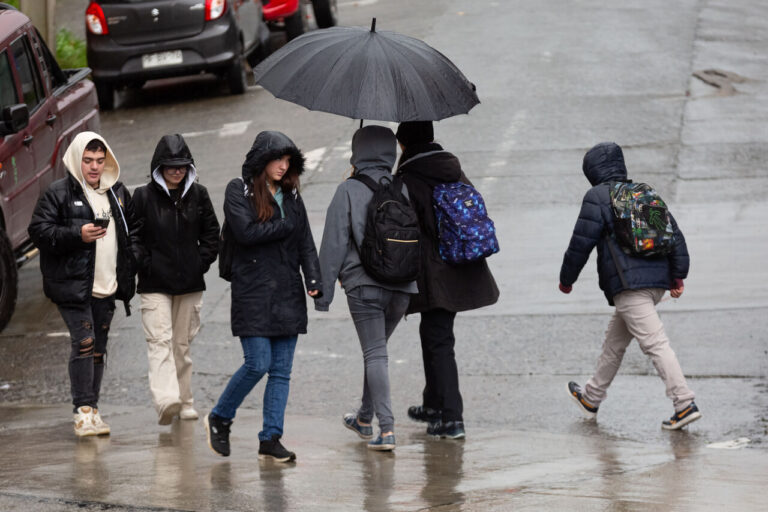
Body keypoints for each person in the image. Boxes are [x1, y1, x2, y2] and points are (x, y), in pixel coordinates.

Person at [559, 142, 700, 430]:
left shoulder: (597, 196)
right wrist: (677, 276)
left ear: (593, 171)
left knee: (656, 345)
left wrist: (566, 280)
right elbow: (674, 236)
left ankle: (684, 403)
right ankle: (591, 397)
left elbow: (580, 243)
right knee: (615, 342)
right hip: (655, 284)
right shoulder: (643, 193)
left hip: (628, 285)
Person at [204, 131, 321, 462]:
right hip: (253, 290)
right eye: (278, 159)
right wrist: (284, 226)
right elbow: (245, 232)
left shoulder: (292, 196)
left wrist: (313, 279)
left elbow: (306, 242)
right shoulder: (237, 190)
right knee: (258, 363)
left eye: (288, 161)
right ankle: (220, 416)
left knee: (281, 370)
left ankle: (271, 437)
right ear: (262, 159)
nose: (283, 167)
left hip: (287, 290)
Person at [315, 125, 417, 452]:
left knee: (375, 354)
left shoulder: (349, 189)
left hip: (364, 286)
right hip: (402, 287)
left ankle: (386, 430)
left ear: (357, 151)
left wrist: (323, 293)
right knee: (378, 353)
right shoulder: (403, 188)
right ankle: (363, 417)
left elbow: (333, 244)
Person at [394, 121, 499, 439]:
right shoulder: (451, 168)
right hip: (461, 265)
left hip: (434, 273)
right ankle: (433, 404)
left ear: (403, 144)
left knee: (439, 341)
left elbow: (408, 228)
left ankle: (452, 417)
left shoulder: (409, 178)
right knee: (435, 335)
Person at [28, 131, 137, 437]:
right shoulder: (57, 193)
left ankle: (94, 409)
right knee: (84, 342)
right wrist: (78, 235)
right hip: (72, 287)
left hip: (107, 284)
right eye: (88, 160)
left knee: (99, 349)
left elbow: (133, 230)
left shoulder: (116, 192)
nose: (94, 167)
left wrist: (134, 259)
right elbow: (39, 231)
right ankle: (82, 411)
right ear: (77, 159)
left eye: (100, 161)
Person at [133, 134, 220, 426]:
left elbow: (211, 235)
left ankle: (185, 401)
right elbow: (133, 237)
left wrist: (200, 263)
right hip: (154, 284)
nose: (177, 170)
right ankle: (166, 400)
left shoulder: (200, 195)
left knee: (181, 345)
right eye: (170, 165)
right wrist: (144, 264)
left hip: (189, 283)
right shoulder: (143, 197)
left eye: (182, 165)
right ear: (159, 167)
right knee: (160, 341)